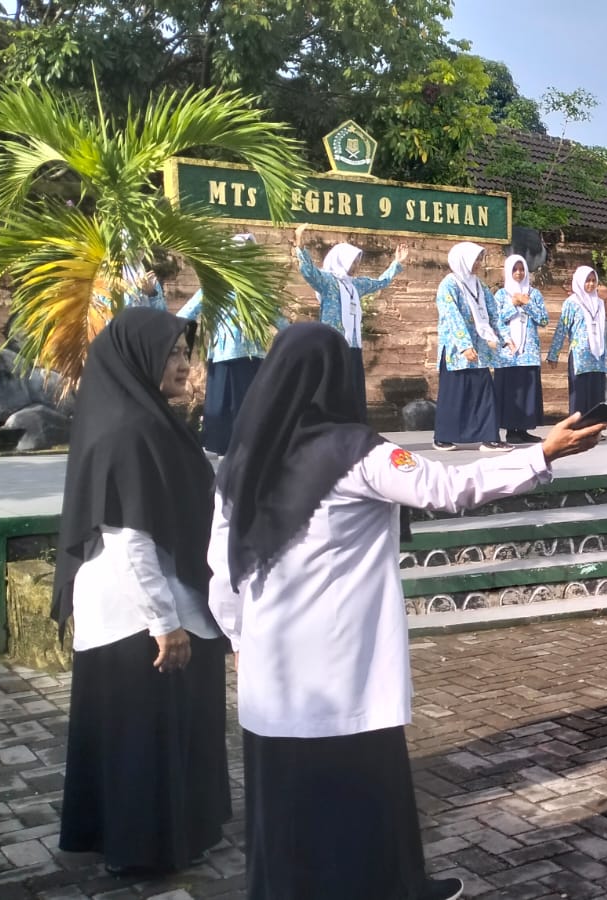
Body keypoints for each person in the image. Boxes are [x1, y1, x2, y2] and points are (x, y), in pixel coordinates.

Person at [208, 323, 606, 900]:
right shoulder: (357, 452)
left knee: (287, 800)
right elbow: (449, 487)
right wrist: (541, 453)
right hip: (341, 666)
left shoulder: (239, 462)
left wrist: (238, 640)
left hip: (273, 666)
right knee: (359, 789)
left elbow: (222, 567)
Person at [53, 308, 229, 875]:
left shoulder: (147, 420)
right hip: (138, 616)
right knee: (143, 738)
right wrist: (164, 622)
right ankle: (144, 850)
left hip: (149, 607)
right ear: (139, 358)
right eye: (172, 352)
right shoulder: (129, 430)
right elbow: (130, 539)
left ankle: (165, 837)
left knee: (151, 734)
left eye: (184, 351)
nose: (183, 363)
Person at [177, 233, 289, 455]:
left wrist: (294, 334)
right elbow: (189, 310)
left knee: (248, 405)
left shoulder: (257, 288)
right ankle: (218, 447)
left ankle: (247, 450)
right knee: (220, 405)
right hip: (223, 352)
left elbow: (276, 316)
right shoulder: (217, 285)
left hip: (252, 353)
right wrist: (169, 327)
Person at [292, 223, 409, 422]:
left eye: (357, 262)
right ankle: (331, 425)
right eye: (353, 262)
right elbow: (309, 272)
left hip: (353, 346)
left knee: (352, 390)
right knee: (333, 388)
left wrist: (396, 263)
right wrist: (299, 245)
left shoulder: (355, 285)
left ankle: (353, 425)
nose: (356, 266)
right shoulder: (328, 282)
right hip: (333, 345)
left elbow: (379, 282)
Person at [433, 242, 505, 451]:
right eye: (475, 260)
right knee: (454, 394)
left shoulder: (479, 285)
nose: (478, 264)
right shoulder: (449, 285)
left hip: (479, 349)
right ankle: (443, 437)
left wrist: (503, 337)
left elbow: (493, 312)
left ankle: (490, 437)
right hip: (456, 350)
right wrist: (464, 345)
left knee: (484, 392)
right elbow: (451, 316)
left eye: (480, 259)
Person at [547, 265, 607, 417]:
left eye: (593, 280)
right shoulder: (572, 302)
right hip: (580, 357)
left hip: (597, 357)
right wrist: (553, 354)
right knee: (580, 396)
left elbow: (602, 329)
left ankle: (594, 426)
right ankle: (577, 426)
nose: (591, 284)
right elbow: (562, 328)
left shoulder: (599, 303)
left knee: (597, 395)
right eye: (587, 281)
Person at [496, 253, 549, 444]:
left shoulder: (534, 294)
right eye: (514, 269)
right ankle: (511, 431)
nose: (518, 273)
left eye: (521, 269)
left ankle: (524, 429)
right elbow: (495, 320)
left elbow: (544, 319)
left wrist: (527, 304)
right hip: (509, 354)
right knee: (512, 391)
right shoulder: (501, 295)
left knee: (528, 390)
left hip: (529, 352)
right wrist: (512, 305)